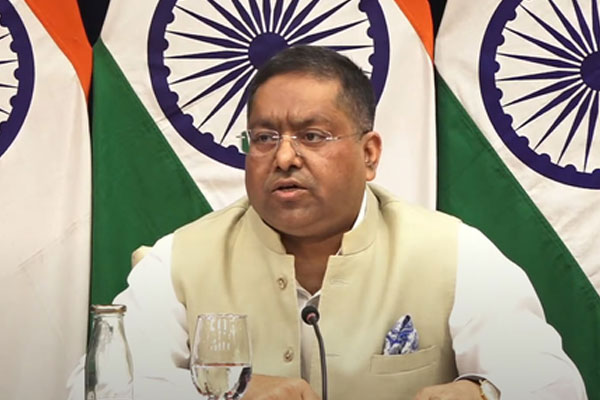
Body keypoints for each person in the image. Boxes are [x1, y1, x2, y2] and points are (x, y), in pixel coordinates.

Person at [68, 46, 586, 400]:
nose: (284, 157)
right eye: (264, 138)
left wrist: (484, 392)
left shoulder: (453, 253)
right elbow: (98, 388)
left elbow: (555, 384)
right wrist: (226, 393)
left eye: (312, 136)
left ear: (369, 153)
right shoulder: (181, 260)